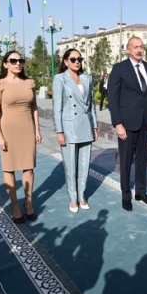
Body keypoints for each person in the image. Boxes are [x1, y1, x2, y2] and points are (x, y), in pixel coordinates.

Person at [108, 36, 147, 211]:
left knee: (142, 160)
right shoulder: (119, 69)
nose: (139, 50)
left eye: (141, 47)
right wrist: (118, 124)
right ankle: (125, 195)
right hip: (127, 123)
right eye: (135, 47)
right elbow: (113, 98)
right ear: (128, 49)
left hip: (146, 122)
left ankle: (141, 192)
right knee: (125, 160)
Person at [0, 51, 42, 223]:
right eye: (13, 61)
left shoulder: (29, 83)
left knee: (29, 168)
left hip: (27, 128)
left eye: (20, 60)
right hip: (8, 129)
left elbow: (34, 107)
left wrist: (37, 130)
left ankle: (28, 203)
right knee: (9, 168)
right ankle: (14, 205)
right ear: (5, 64)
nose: (18, 63)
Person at [53, 49, 99, 213]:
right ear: (65, 61)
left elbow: (91, 104)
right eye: (73, 59)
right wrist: (59, 131)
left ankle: (82, 196)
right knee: (71, 166)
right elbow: (57, 107)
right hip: (69, 126)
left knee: (84, 164)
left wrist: (94, 126)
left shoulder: (87, 78)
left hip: (86, 125)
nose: (77, 61)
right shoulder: (60, 79)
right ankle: (73, 198)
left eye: (79, 58)